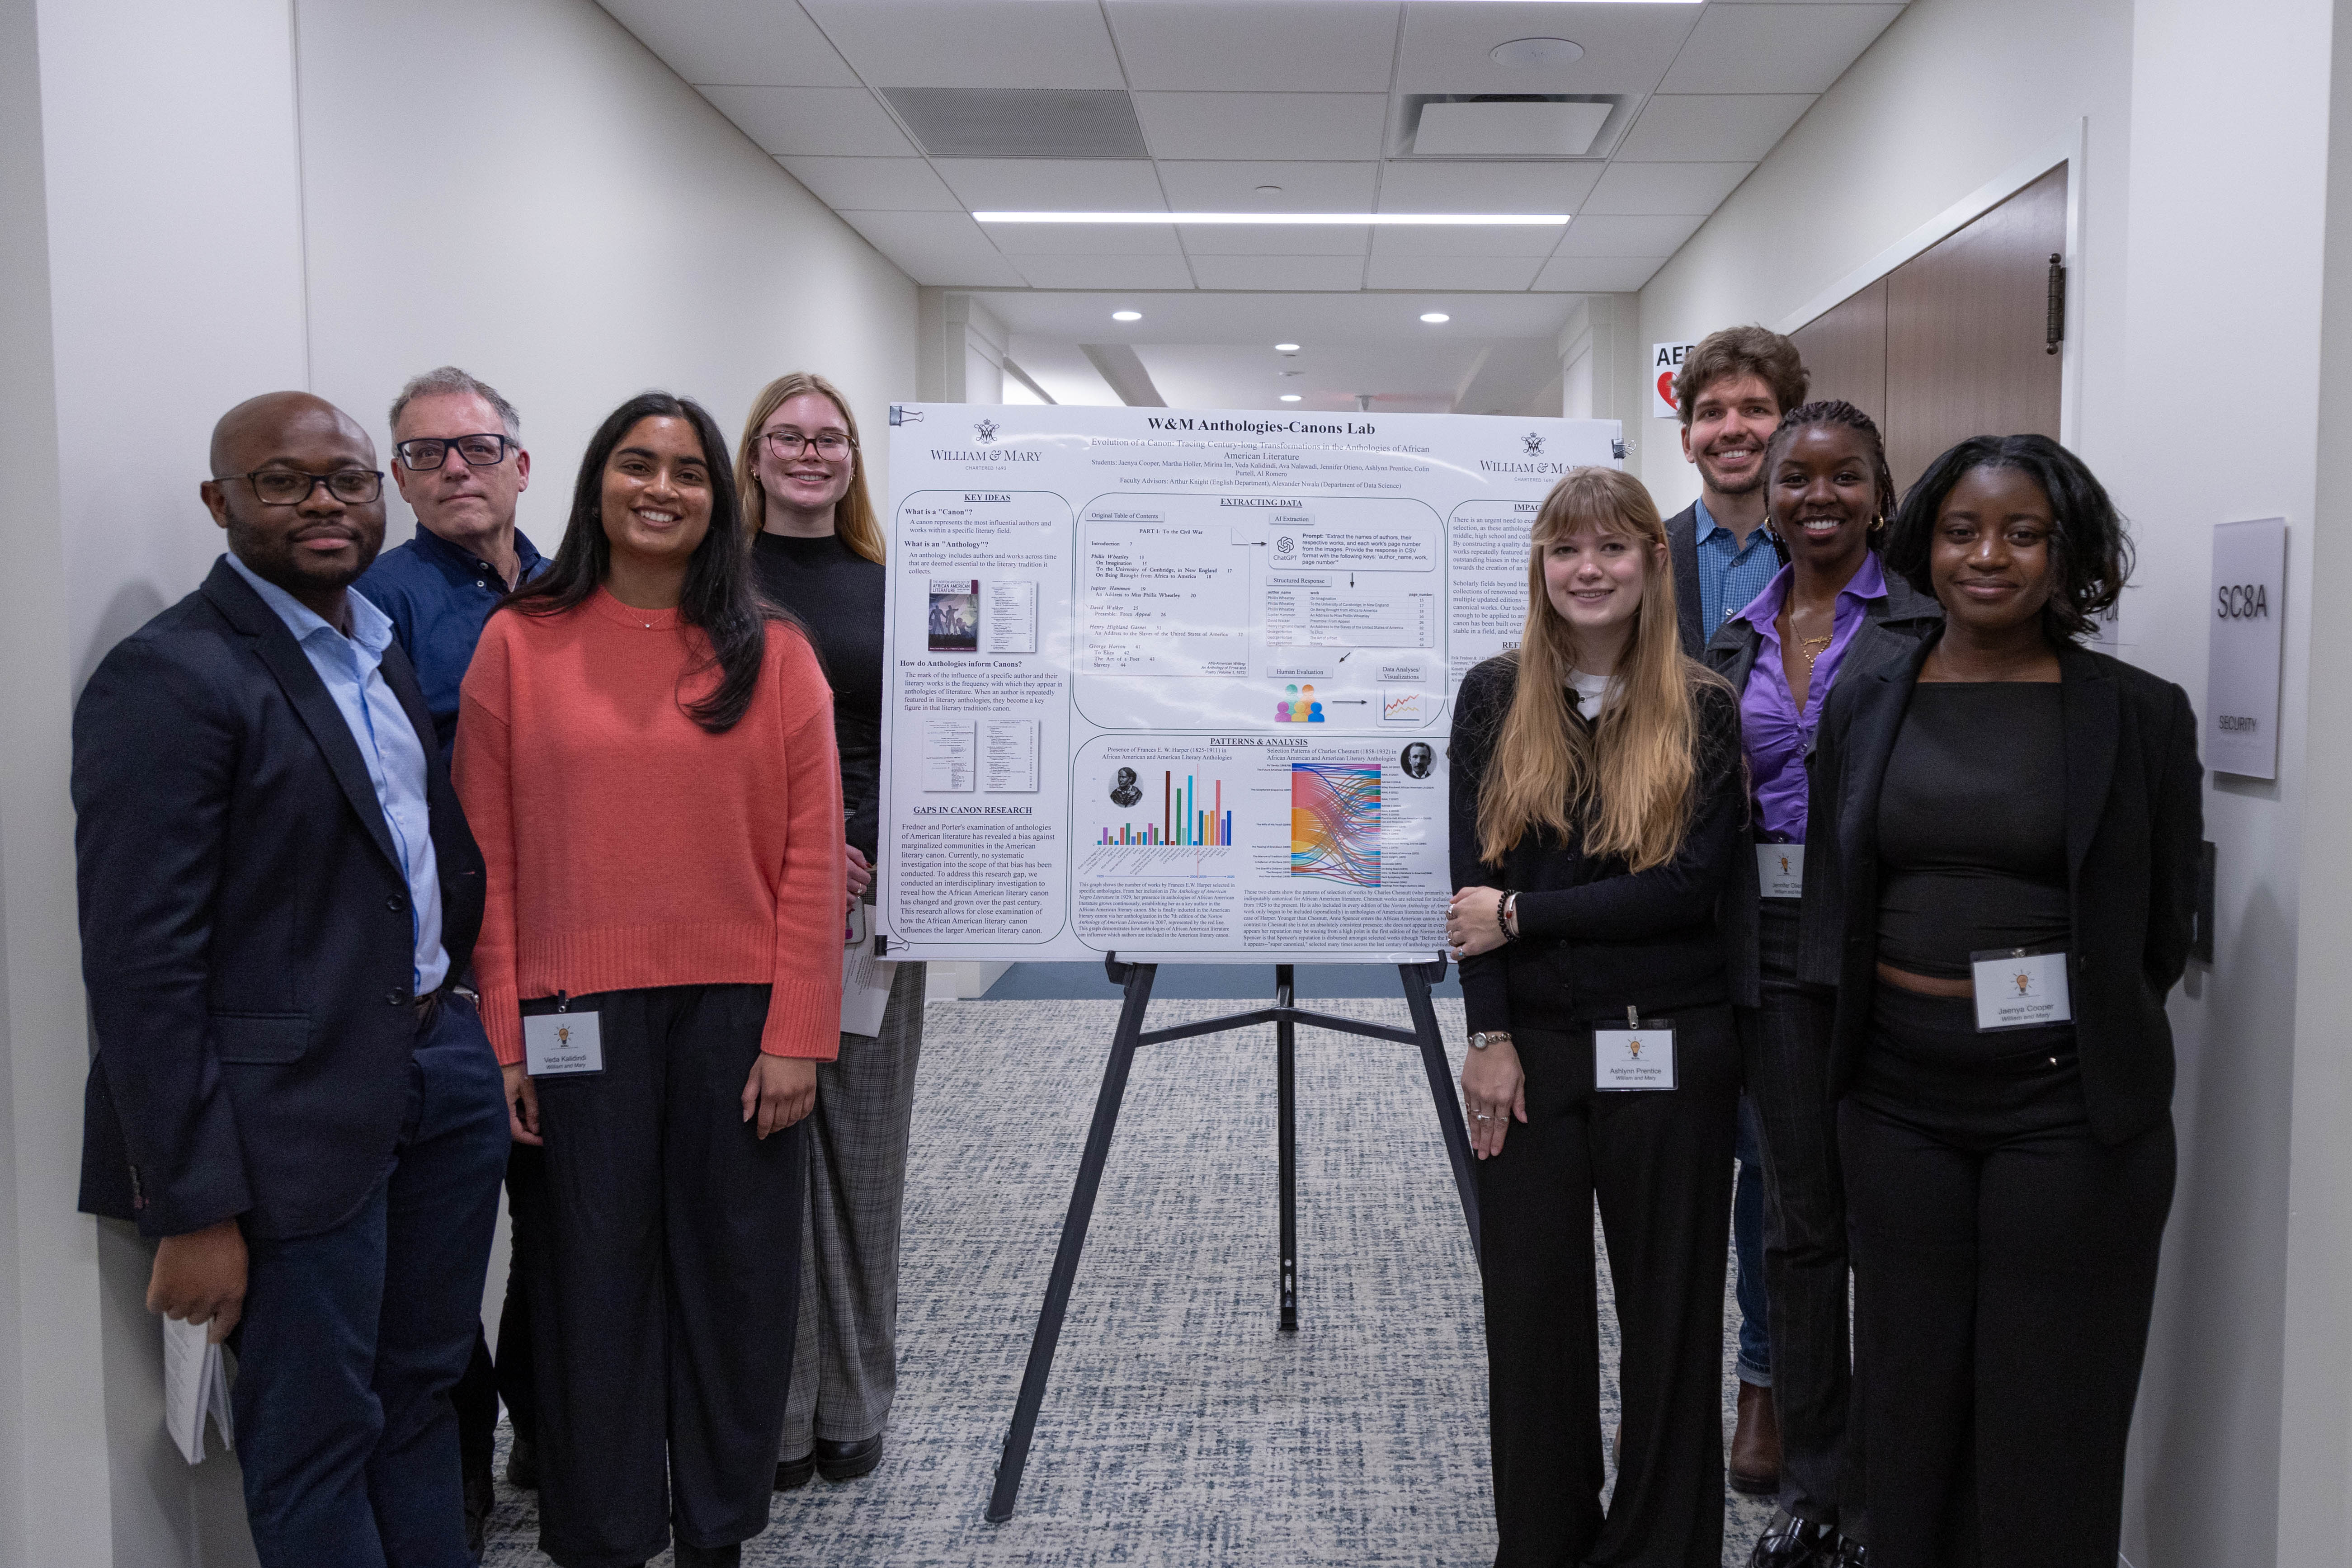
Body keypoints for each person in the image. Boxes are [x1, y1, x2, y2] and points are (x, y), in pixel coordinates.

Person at [74, 391, 507, 1567]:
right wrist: (192, 1203)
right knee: (314, 1433)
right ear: (219, 501)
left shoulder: (375, 643)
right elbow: (141, 966)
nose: (324, 502)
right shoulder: (169, 677)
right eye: (283, 481)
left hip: (436, 1071)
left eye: (348, 479)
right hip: (290, 1121)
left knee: (424, 1393)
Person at [454, 391, 845, 1568]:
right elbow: (488, 858)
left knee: (736, 1283)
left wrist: (798, 1030)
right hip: (573, 1015)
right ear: (596, 485)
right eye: (637, 464)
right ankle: (606, 1532)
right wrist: (504, 1036)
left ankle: (717, 1529)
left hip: (740, 1019)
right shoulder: (518, 642)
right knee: (589, 1284)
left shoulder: (774, 652)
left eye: (686, 470)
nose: (661, 488)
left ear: (719, 497)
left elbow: (812, 856)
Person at [1809, 434, 2200, 1566]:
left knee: (2050, 1407)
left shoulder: (2138, 713)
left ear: (2065, 553)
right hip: (1895, 1101)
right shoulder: (1867, 696)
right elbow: (1836, 890)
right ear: (1923, 545)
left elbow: (2157, 926)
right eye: (1962, 531)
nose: (1988, 556)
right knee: (1909, 1396)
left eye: (2022, 534)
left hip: (2066, 1112)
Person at [1445, 465, 1745, 1566]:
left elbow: (1686, 890)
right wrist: (1487, 1036)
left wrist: (1523, 915)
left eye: (1612, 547)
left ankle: (1660, 1549)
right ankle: (1542, 1544)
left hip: (1669, 1039)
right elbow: (1468, 891)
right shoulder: (1492, 694)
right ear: (1540, 566)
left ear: (1653, 562)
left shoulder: (1701, 706)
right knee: (1532, 1314)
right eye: (1566, 549)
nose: (1588, 569)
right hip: (1530, 1047)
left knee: (1671, 1317)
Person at [1703, 402, 1941, 1568]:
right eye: (1797, 478)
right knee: (1799, 1225)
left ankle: (1895, 1490)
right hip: (1772, 947)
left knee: (1893, 1223)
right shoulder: (1734, 639)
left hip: (1887, 945)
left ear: (1881, 493)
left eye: (1844, 477)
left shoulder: (1925, 627)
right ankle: (1813, 1484)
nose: (1818, 497)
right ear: (1772, 496)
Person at [357, 365, 550, 1553]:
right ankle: (462, 1468)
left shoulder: (571, 588)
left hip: (574, 948)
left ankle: (550, 1422)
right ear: (401, 478)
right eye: (426, 454)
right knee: (445, 1244)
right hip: (451, 976)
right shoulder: (375, 606)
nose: (456, 470)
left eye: (476, 448)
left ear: (521, 464)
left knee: (565, 1212)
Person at [736, 371, 926, 1490]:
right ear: (754, 454)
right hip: (749, 902)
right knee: (762, 1157)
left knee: (863, 1157)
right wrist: (796, 851)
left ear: (852, 459)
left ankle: (853, 1403)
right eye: (789, 437)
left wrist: (893, 852)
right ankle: (776, 1415)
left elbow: (935, 738)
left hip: (877, 908)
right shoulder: (715, 584)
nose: (810, 454)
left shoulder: (893, 588)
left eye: (830, 438)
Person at [1665, 323, 1813, 1496]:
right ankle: (1670, 1385)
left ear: (1786, 422)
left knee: (1772, 1152)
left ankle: (1763, 1378)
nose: (1732, 429)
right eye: (1712, 411)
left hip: (1789, 906)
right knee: (1667, 1151)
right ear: (1687, 435)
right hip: (1666, 898)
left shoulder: (1835, 551)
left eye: (1753, 408)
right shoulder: (1647, 552)